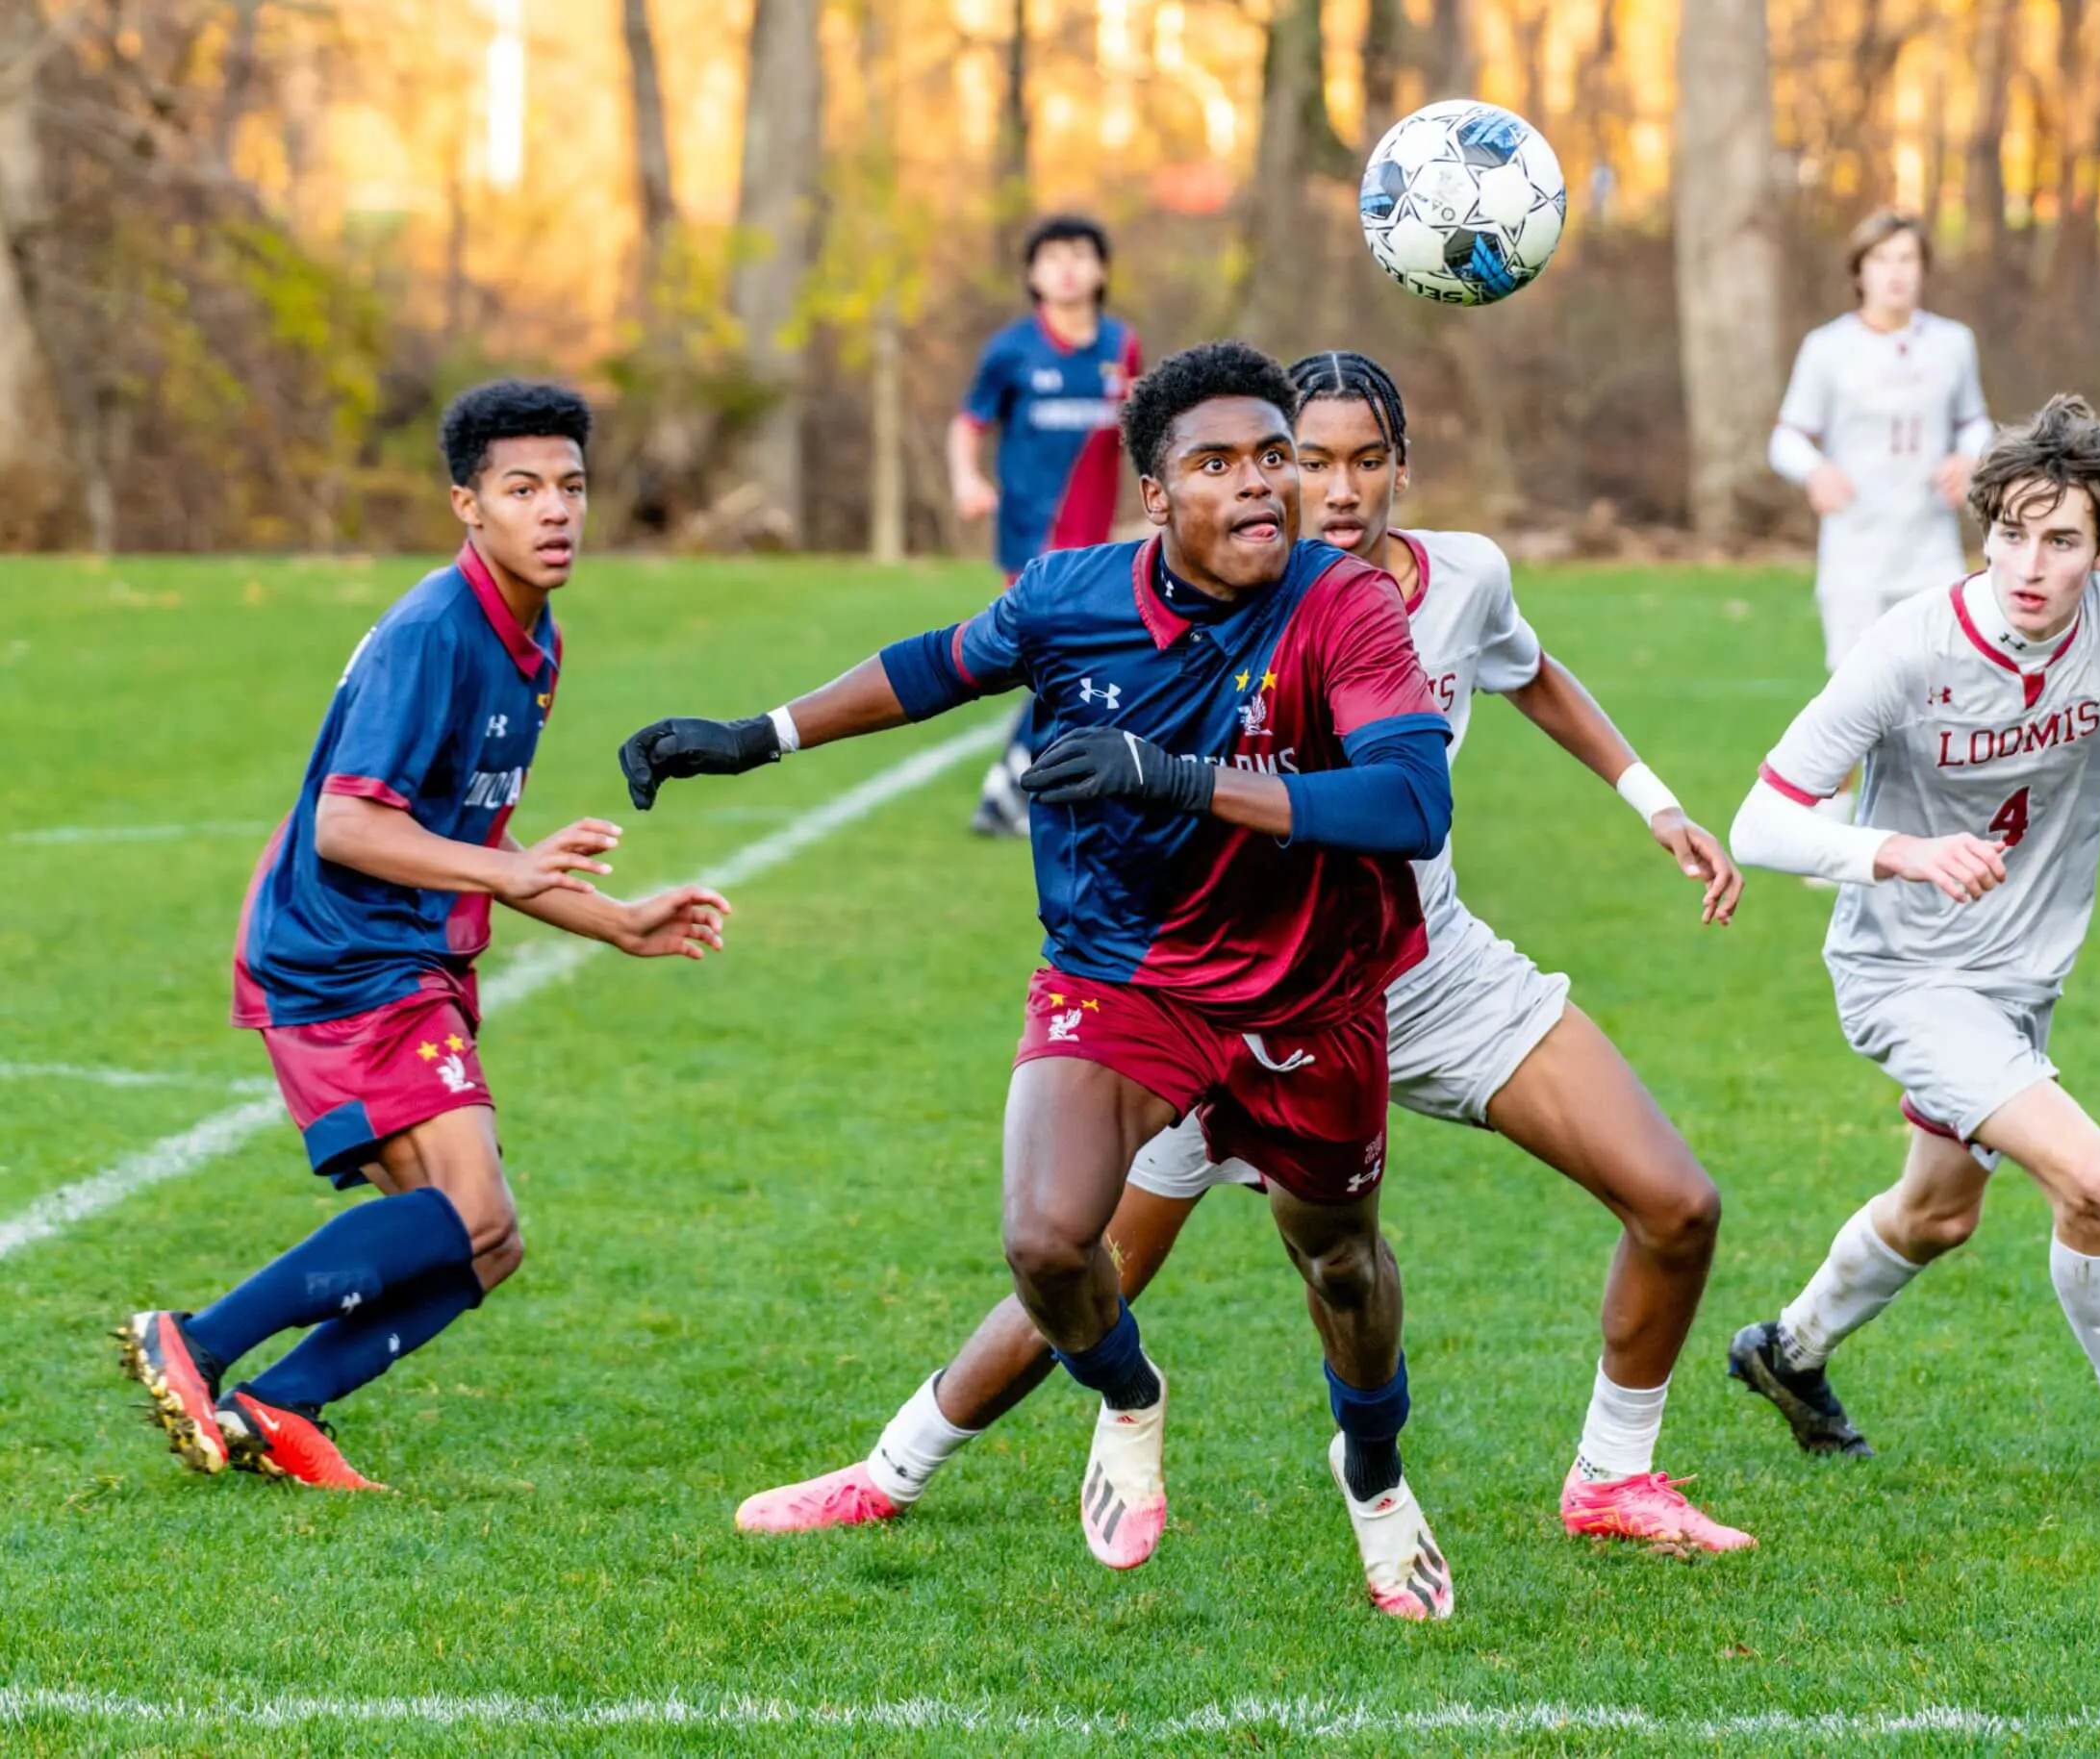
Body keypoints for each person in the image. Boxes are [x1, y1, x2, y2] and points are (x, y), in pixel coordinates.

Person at [732, 348, 1759, 1566]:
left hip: (1417, 974)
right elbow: (973, 655)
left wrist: (1650, 795)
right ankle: (893, 1466)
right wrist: (763, 736)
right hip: (1208, 981)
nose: (1331, 485)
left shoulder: (1457, 578)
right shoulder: (1201, 586)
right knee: (1074, 1254)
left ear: (1400, 468)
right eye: (1302, 456)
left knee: (1668, 1203)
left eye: (1357, 459)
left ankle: (1606, 1476)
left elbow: (1528, 679)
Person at [620, 342, 1461, 1617]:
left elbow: (1411, 798)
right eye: (1217, 464)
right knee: (1047, 1241)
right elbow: (935, 665)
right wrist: (758, 737)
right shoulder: (1072, 597)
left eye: (1275, 460)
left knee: (1340, 1264)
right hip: (1124, 970)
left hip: (1307, 991)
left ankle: (1377, 1472)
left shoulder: (1341, 603)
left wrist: (1172, 777)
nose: (1260, 489)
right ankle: (1129, 1395)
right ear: (1153, 495)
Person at [119, 381, 731, 1492]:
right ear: (466, 504)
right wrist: (506, 869)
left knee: (487, 1242)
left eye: (573, 487)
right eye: (522, 488)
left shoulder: (531, 641)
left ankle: (278, 1405)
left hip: (404, 950)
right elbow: (349, 824)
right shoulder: (432, 635)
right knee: (470, 1211)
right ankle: (197, 1342)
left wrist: (618, 922)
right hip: (342, 952)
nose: (556, 511)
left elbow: (472, 837)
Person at [1723, 394, 2100, 1517]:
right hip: (1906, 972)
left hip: (2019, 978)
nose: (2027, 564)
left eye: (2061, 540)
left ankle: (1785, 1351)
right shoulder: (1911, 644)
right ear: (1983, 525)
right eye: (2009, 532)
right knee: (2094, 1181)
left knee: (1938, 1212)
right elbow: (1760, 819)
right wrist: (1899, 851)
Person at [1770, 210, 1994, 827]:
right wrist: (1815, 470)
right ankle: (1829, 822)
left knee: (1941, 689)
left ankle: (1930, 823)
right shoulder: (1828, 348)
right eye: (1882, 260)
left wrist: (1967, 455)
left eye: (1908, 260)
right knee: (1851, 693)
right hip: (1855, 553)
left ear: (1923, 270)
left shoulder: (1952, 343)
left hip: (1929, 550)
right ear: (1860, 271)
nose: (1896, 274)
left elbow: (1975, 420)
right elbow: (1786, 437)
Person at [948, 214, 1142, 837]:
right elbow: (967, 423)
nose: (1066, 267)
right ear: (1032, 273)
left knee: (1070, 664)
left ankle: (1015, 789)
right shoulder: (1011, 350)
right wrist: (967, 480)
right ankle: (1017, 790)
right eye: (1052, 256)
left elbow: (1143, 431)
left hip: (1097, 543)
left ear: (1102, 270)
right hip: (1031, 538)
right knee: (1063, 656)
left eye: (1080, 255)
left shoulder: (1121, 346)